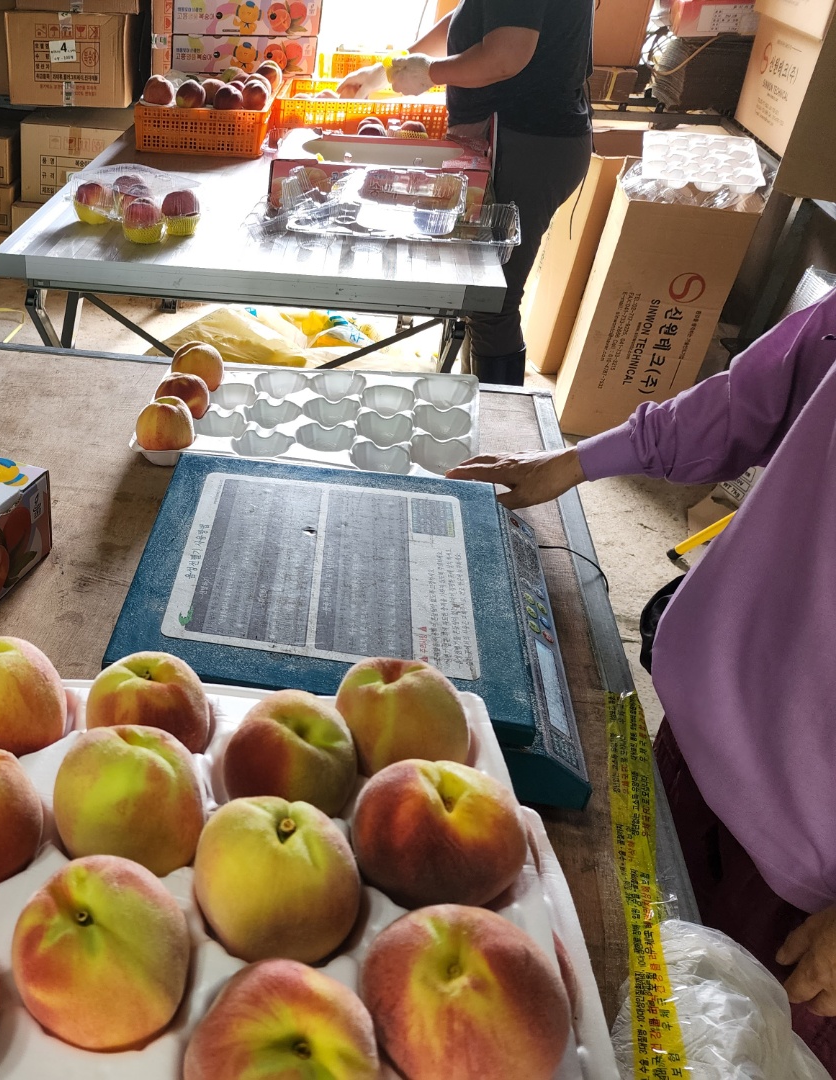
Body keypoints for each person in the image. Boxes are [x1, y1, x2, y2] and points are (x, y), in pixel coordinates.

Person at [446, 289, 836, 1066]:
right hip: (704, 730)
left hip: (808, 883)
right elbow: (741, 404)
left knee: (732, 1046)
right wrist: (572, 461)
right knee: (624, 977)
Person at [340, 0, 594, 385]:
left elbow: (505, 56)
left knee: (494, 302)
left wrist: (430, 73)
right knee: (479, 295)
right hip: (527, 138)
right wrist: (392, 69)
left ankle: (499, 429)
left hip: (528, 142)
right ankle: (474, 407)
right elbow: (471, 15)